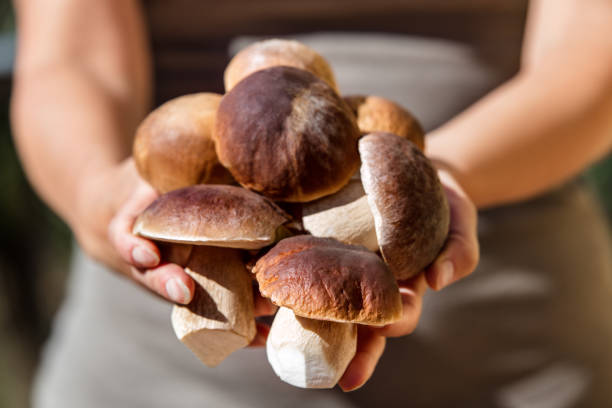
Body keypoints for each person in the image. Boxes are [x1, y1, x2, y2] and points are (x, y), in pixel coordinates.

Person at [11, 0, 612, 407]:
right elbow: (69, 58)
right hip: (154, 373)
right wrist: (97, 193)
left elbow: (592, 63)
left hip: (511, 357)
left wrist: (437, 175)